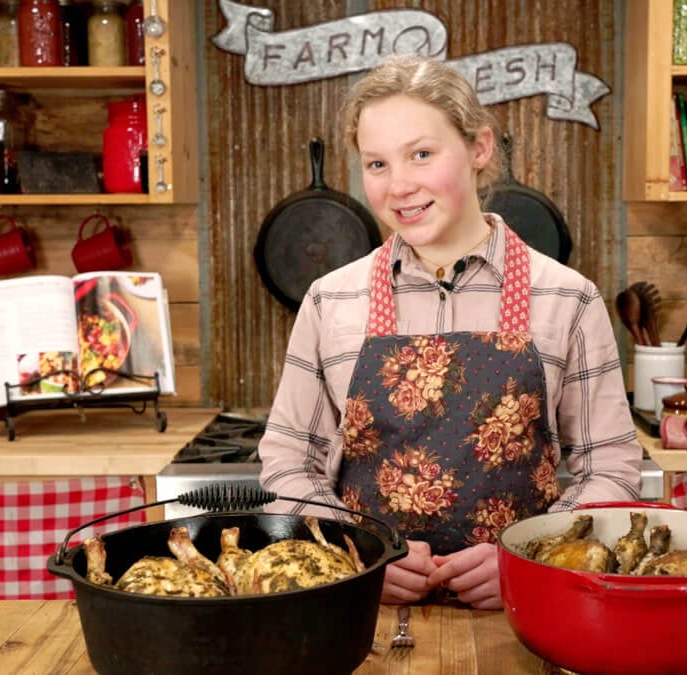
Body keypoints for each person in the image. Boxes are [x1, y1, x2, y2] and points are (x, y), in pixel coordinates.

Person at [258, 54, 642, 610]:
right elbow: (288, 465)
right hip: (366, 618)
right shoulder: (330, 301)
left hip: (526, 614)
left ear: (479, 149)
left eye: (421, 154)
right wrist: (356, 554)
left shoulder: (567, 298)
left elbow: (612, 471)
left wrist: (528, 557)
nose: (400, 186)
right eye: (377, 164)